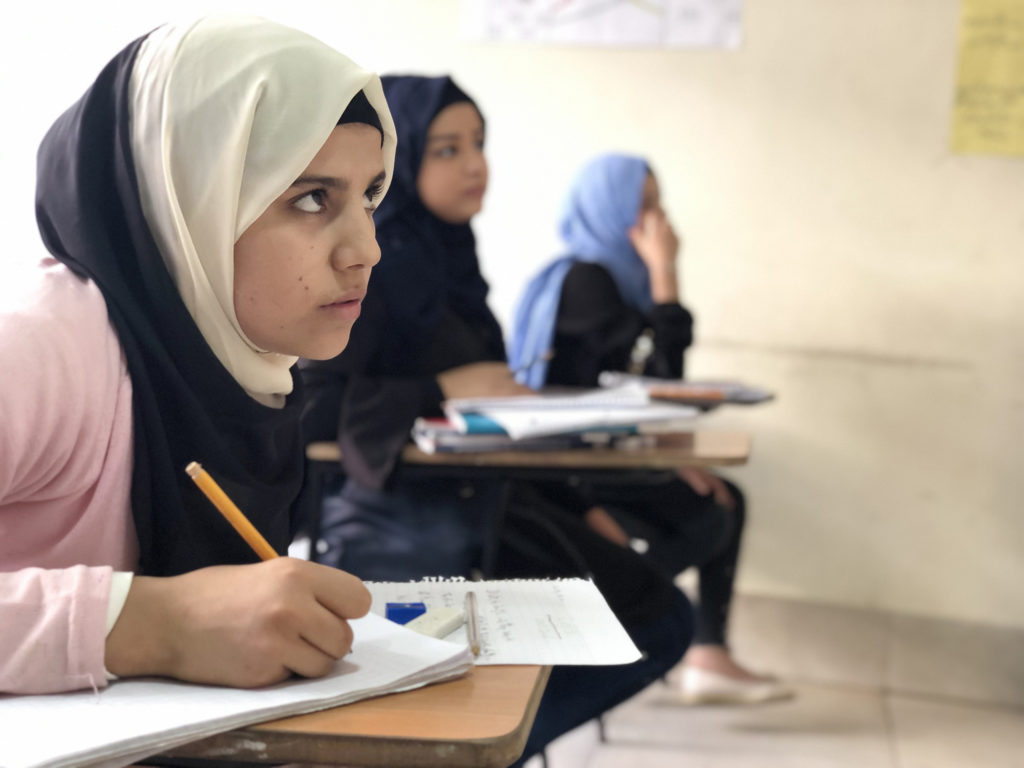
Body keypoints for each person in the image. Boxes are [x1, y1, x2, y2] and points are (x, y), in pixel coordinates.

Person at [298, 76, 692, 762]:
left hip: (494, 500)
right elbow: (313, 409)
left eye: (479, 144)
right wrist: (442, 385)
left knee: (657, 613)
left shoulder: (454, 263)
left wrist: (580, 500)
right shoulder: (368, 265)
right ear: (401, 162)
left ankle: (479, 750)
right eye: (448, 150)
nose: (475, 164)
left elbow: (503, 406)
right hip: (412, 518)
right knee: (655, 618)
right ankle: (471, 751)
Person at [0, 15, 397, 695]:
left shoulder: (246, 365)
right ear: (187, 200)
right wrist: (153, 624)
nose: (366, 250)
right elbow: (171, 631)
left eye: (369, 196)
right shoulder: (45, 346)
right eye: (310, 198)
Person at [509, 152, 791, 704]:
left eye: (659, 205)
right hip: (570, 472)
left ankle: (700, 651)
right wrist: (666, 275)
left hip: (604, 457)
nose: (658, 223)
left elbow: (650, 395)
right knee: (714, 512)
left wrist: (673, 457)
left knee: (721, 498)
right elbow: (657, 381)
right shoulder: (586, 282)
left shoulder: (609, 282)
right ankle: (612, 613)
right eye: (642, 207)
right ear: (606, 210)